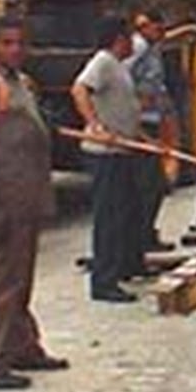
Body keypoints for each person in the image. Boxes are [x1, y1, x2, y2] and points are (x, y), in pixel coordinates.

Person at [0, 15, 66, 390]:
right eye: (6, 43)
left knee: (20, 277)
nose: (15, 49)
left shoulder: (20, 82)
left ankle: (22, 347)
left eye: (20, 43)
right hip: (4, 197)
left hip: (27, 196)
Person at [71, 17, 145, 302]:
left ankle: (124, 266)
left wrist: (142, 138)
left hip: (123, 150)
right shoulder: (102, 61)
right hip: (104, 154)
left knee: (125, 212)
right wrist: (96, 126)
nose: (132, 44)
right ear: (119, 39)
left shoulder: (119, 67)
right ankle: (103, 282)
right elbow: (79, 89)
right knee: (109, 217)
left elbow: (123, 108)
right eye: (129, 38)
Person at [128, 10, 177, 254]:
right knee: (147, 186)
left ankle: (145, 235)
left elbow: (156, 83)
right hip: (139, 123)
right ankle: (139, 239)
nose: (161, 34)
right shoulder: (137, 48)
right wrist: (136, 103)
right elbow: (121, 78)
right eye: (158, 30)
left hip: (153, 119)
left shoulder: (152, 47)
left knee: (155, 185)